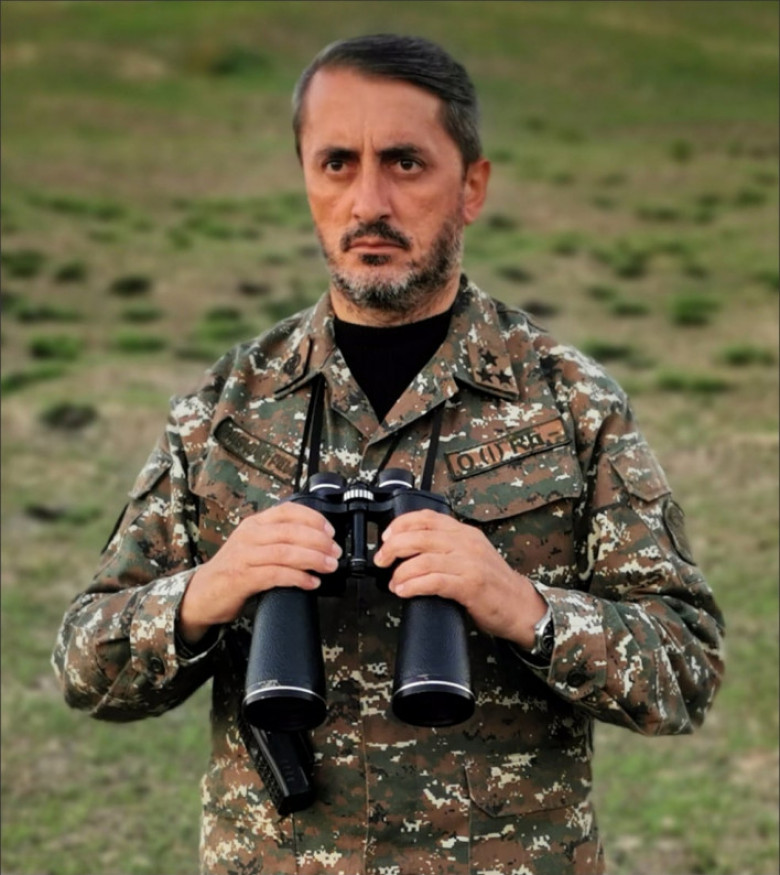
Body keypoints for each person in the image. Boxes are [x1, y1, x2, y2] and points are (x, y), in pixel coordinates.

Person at [52, 34, 725, 875]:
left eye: (405, 163)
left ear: (471, 186)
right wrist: (207, 591)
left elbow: (685, 668)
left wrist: (523, 606)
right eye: (337, 163)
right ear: (305, 178)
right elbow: (86, 665)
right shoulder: (227, 408)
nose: (368, 201)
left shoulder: (569, 401)